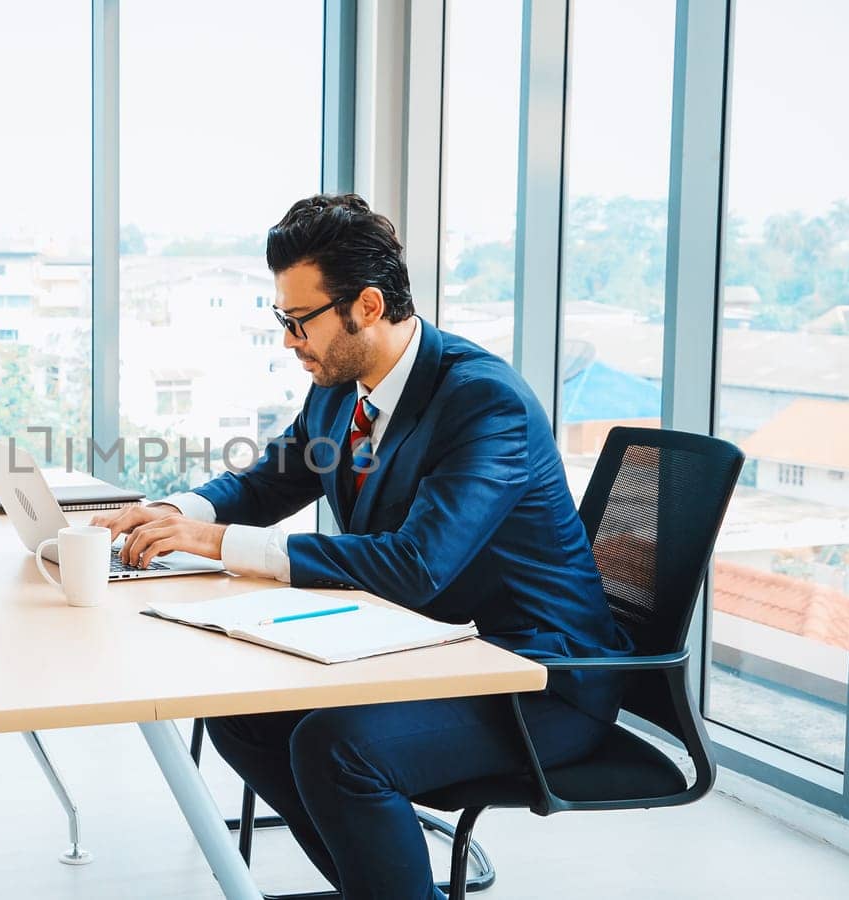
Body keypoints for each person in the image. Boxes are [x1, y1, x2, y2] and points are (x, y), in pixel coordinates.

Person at [93, 193, 631, 899]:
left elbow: (416, 566)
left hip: (537, 678)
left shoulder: (481, 402)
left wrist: (216, 542)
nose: (290, 341)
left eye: (299, 321)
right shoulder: (339, 386)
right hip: (435, 650)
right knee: (243, 718)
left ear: (367, 307)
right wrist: (168, 513)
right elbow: (268, 483)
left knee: (336, 748)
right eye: (281, 321)